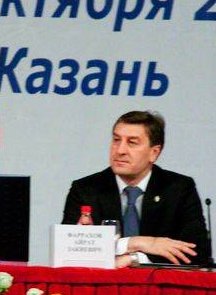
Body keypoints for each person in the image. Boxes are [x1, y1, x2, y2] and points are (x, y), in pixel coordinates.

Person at [62, 110, 207, 267]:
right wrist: (137, 243)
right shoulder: (85, 190)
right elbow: (68, 250)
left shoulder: (178, 189)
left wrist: (134, 258)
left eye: (132, 142)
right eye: (116, 140)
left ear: (154, 153)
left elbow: (196, 254)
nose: (120, 150)